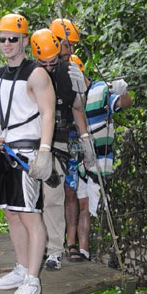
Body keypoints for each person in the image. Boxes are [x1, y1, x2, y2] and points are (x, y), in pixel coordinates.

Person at [0, 13, 56, 294]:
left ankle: (33, 280)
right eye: (2, 39)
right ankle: (22, 268)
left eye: (13, 39)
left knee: (30, 215)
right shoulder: (2, 73)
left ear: (24, 41)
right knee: (12, 212)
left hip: (26, 153)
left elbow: (48, 112)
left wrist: (45, 151)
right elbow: (3, 101)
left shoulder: (36, 73)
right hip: (6, 151)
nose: (7, 44)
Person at [30, 29, 96, 270]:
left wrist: (86, 140)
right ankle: (38, 245)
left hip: (59, 139)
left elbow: (78, 110)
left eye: (52, 62)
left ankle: (55, 250)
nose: (48, 67)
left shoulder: (70, 73)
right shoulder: (29, 72)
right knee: (33, 197)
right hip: (33, 138)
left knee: (56, 194)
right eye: (43, 63)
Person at [65, 59, 132, 260]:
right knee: (79, 202)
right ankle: (79, 248)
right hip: (78, 158)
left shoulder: (100, 90)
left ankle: (97, 250)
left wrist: (122, 91)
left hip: (99, 157)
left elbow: (123, 103)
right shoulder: (69, 96)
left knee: (93, 205)